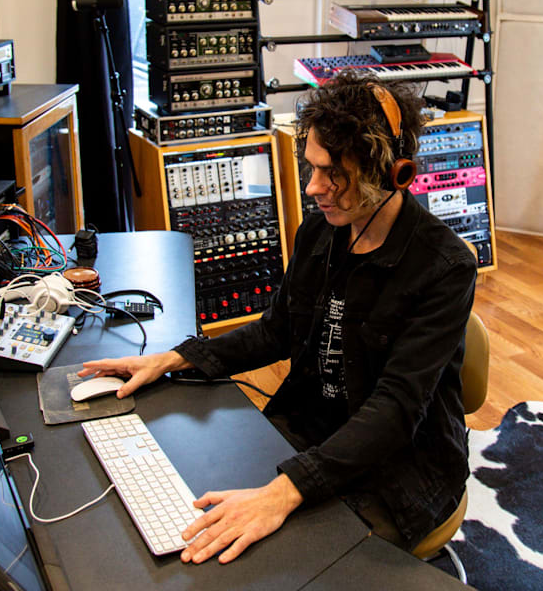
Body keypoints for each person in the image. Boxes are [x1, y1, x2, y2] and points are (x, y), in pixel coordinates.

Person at [80, 71, 478, 565]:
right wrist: (175, 358)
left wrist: (286, 490)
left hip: (402, 467)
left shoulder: (445, 267)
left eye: (331, 172)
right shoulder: (320, 231)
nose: (312, 187)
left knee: (282, 563)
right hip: (316, 430)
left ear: (386, 169)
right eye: (310, 167)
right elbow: (278, 330)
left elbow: (396, 410)